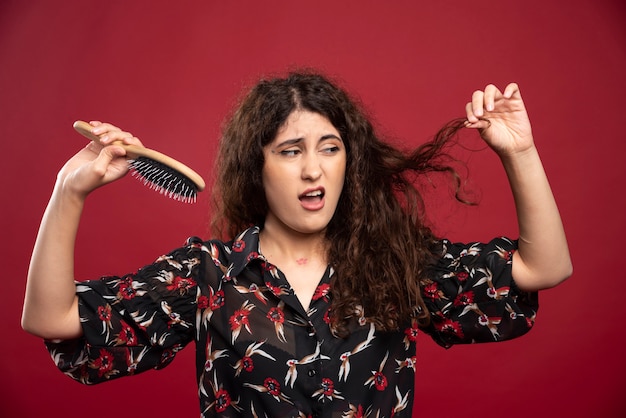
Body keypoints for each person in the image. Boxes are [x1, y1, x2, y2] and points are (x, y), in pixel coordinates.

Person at [22, 72, 572, 417]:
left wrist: (518, 152)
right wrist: (69, 191)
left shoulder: (394, 262)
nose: (313, 169)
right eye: (289, 151)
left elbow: (543, 267)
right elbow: (53, 318)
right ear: (254, 169)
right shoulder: (209, 273)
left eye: (329, 148)